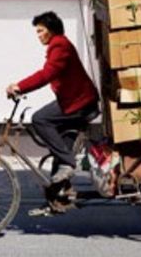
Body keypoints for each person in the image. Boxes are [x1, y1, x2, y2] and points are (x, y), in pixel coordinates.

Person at [6, 12, 99, 186]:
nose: (39, 36)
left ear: (51, 30)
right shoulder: (59, 45)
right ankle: (57, 198)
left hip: (80, 103)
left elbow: (47, 74)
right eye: (37, 32)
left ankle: (69, 163)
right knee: (60, 149)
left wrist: (20, 86)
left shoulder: (60, 45)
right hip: (74, 101)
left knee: (40, 119)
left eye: (41, 31)